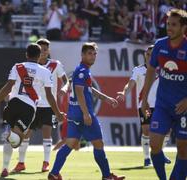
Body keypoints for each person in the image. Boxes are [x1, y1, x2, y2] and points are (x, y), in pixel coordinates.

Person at [48, 42, 125, 180]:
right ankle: (107, 176)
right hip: (83, 114)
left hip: (74, 114)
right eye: (89, 53)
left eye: (94, 54)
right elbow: (79, 91)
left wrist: (105, 98)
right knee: (98, 144)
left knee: (70, 143)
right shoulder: (83, 71)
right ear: (82, 55)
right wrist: (86, 113)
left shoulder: (81, 70)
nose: (93, 56)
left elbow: (88, 88)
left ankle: (54, 173)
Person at [0, 43, 65, 178]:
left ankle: (5, 168)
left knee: (12, 138)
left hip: (13, 104)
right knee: (17, 139)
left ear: (26, 55)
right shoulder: (45, 72)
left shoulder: (17, 67)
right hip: (28, 108)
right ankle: (11, 136)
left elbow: (8, 86)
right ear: (39, 56)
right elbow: (50, 96)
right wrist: (58, 113)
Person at [141, 8, 187, 180]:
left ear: (184, 28)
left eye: (174, 25)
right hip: (163, 105)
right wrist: (144, 99)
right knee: (154, 145)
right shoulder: (160, 45)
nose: (169, 28)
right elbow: (151, 70)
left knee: (183, 150)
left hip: (183, 108)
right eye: (168, 24)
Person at [12, 38, 70, 173]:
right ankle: (21, 163)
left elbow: (66, 80)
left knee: (47, 133)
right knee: (26, 134)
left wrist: (64, 88)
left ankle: (46, 163)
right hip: (32, 104)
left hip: (48, 106)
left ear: (48, 50)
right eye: (41, 49)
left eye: (45, 49)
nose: (43, 52)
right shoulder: (30, 67)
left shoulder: (55, 65)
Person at [116, 45, 171, 167]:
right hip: (145, 105)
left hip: (161, 105)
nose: (150, 56)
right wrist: (124, 92)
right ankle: (147, 159)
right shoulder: (139, 70)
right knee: (146, 131)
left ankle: (160, 153)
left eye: (152, 54)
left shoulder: (163, 70)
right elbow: (130, 83)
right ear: (145, 55)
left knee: (167, 130)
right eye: (148, 54)